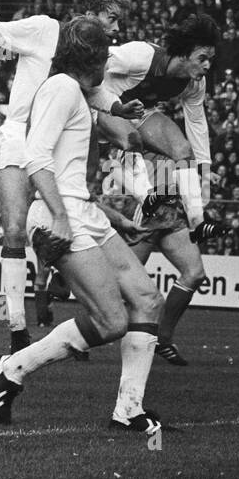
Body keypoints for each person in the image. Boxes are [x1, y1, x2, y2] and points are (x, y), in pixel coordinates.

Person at [0, 16, 165, 435]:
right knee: (111, 322)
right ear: (94, 59)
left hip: (83, 210)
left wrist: (117, 108)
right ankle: (11, 369)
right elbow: (36, 159)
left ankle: (129, 410)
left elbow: (95, 102)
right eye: (105, 55)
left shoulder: (77, 89)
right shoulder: (61, 89)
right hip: (59, 212)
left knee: (147, 298)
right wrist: (62, 218)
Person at [0, 0, 139, 352]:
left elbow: (93, 89)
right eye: (111, 18)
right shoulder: (45, 29)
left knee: (64, 225)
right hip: (20, 134)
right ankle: (17, 329)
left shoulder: (93, 53)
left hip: (58, 144)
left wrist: (116, 107)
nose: (116, 27)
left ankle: (73, 312)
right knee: (13, 229)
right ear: (92, 12)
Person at [88, 13, 228, 241]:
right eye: (202, 58)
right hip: (104, 106)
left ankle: (198, 223)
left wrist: (204, 166)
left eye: (210, 60)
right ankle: (146, 197)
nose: (207, 65)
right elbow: (94, 61)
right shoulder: (142, 56)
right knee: (131, 138)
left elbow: (197, 122)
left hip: (140, 112)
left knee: (183, 151)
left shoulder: (195, 84)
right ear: (185, 52)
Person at [98, 154, 209, 367]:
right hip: (146, 207)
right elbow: (121, 158)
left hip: (171, 209)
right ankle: (85, 333)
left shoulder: (171, 129)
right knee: (119, 282)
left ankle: (162, 339)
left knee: (194, 274)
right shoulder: (138, 124)